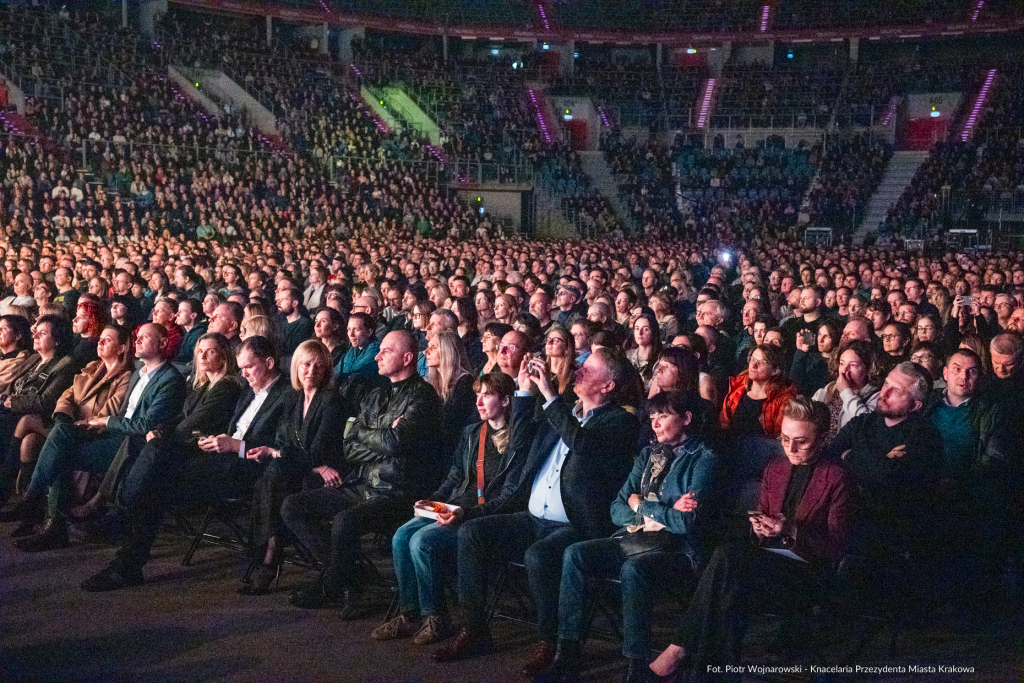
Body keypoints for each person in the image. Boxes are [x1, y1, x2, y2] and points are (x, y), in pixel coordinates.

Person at [432, 349, 640, 674]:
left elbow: (582, 444)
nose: (579, 368)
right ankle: (474, 628)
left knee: (539, 556)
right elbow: (520, 445)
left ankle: (550, 641)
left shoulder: (621, 422)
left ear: (609, 385)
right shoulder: (562, 411)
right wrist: (525, 391)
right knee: (472, 532)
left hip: (575, 525)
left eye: (590, 367)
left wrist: (549, 395)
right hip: (532, 517)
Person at [648, 398, 851, 679]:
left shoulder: (837, 476)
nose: (790, 448)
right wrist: (760, 528)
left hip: (808, 573)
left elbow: (836, 547)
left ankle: (680, 650)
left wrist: (790, 531)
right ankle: (710, 674)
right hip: (764, 564)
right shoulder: (776, 469)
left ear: (822, 439)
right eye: (785, 438)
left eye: (801, 442)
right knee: (731, 586)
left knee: (729, 562)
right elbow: (764, 521)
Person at [79, 335, 290, 591]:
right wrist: (209, 440)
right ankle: (126, 561)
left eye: (249, 367)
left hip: (247, 469)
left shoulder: (287, 395)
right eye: (241, 367)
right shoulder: (248, 390)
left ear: (269, 363)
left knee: (155, 466)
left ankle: (123, 525)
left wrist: (236, 446)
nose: (243, 373)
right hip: (217, 458)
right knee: (150, 460)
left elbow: (281, 445)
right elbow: (220, 427)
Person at [542, 390, 720, 682]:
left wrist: (642, 505)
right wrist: (657, 514)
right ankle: (568, 651)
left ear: (686, 419)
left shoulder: (704, 459)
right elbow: (616, 509)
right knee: (575, 553)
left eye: (663, 416)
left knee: (634, 569)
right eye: (652, 417)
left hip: (679, 551)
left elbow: (686, 523)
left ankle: (636, 666)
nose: (656, 424)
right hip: (635, 539)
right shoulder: (648, 455)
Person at [283, 331, 443, 617]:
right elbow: (349, 446)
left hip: (398, 490)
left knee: (345, 521)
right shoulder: (376, 394)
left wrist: (375, 437)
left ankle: (336, 584)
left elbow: (396, 443)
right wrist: (382, 437)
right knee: (293, 506)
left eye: (386, 351)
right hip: (362, 482)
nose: (378, 356)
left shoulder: (423, 396)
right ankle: (346, 576)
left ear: (407, 359)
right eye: (379, 350)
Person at [0, 324, 187, 548]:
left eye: (145, 337)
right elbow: (69, 396)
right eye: (137, 337)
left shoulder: (168, 379)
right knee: (60, 433)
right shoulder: (139, 373)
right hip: (111, 434)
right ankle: (37, 506)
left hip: (130, 444)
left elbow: (145, 424)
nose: (137, 341)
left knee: (58, 450)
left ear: (163, 343)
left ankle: (42, 513)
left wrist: (103, 421)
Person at [373, 372, 524, 646]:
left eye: (487, 395)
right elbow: (455, 476)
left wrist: (465, 513)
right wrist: (432, 500)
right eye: (477, 394)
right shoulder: (471, 433)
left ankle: (436, 616)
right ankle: (410, 613)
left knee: (421, 541)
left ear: (505, 401)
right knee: (400, 536)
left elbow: (509, 497)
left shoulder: (517, 440)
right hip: (454, 505)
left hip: (480, 515)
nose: (479, 401)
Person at [242, 340, 343, 595]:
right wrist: (307, 463)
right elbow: (282, 440)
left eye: (318, 367)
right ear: (296, 366)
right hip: (303, 469)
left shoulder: (331, 401)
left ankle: (267, 555)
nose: (311, 371)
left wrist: (282, 454)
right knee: (271, 477)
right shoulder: (292, 397)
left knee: (274, 475)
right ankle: (269, 552)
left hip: (328, 475)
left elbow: (318, 451)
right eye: (306, 365)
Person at [17, 326, 134, 526]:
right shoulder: (92, 367)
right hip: (71, 426)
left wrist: (78, 421)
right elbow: (67, 395)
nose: (100, 342)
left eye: (108, 339)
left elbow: (110, 411)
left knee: (54, 441)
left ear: (122, 348)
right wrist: (65, 415)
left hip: (95, 432)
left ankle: (32, 500)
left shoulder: (125, 377)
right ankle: (44, 518)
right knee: (32, 439)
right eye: (101, 338)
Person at [923, 348, 1012, 592]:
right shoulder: (928, 407)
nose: (964, 377)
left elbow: (995, 457)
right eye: (957, 370)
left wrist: (957, 481)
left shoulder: (990, 411)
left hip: (969, 499)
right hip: (925, 494)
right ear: (945, 373)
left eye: (972, 372)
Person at [0, 315, 79, 506]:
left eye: (42, 334)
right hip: (13, 411)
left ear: (57, 340)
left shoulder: (65, 365)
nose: (35, 336)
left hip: (36, 418)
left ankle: (9, 489)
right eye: (36, 332)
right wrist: (6, 399)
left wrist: (14, 403)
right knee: (25, 438)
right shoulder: (34, 358)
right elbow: (13, 385)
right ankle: (21, 497)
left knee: (15, 429)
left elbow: (46, 402)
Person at [424, 330, 477, 484]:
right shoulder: (434, 383)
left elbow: (451, 424)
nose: (426, 351)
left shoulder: (465, 382)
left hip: (453, 453)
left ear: (448, 351)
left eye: (433, 347)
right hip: (438, 448)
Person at [720, 344, 796, 438]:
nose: (754, 365)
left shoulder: (783, 400)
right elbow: (724, 424)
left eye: (761, 362)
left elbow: (780, 438)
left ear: (775, 370)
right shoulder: (737, 386)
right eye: (752, 359)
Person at [812, 340, 879, 440]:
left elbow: (865, 426)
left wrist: (846, 392)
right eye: (842, 363)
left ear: (869, 369)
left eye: (853, 365)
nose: (844, 370)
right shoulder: (828, 390)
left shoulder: (876, 397)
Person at [789, 320, 839, 397]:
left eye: (826, 336)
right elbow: (794, 382)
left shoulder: (839, 363)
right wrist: (801, 351)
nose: (821, 340)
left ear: (835, 338)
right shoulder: (809, 357)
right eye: (819, 334)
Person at [337, 312, 379, 378]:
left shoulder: (376, 350)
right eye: (349, 329)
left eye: (356, 330)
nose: (351, 334)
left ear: (369, 332)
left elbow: (354, 372)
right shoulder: (353, 349)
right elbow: (336, 372)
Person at [626, 314, 661, 391]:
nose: (640, 333)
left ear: (653, 331)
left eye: (645, 329)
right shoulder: (627, 356)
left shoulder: (660, 359)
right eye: (637, 328)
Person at [542, 324, 577, 398]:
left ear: (567, 349)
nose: (549, 342)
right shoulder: (541, 371)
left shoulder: (573, 376)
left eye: (555, 341)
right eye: (548, 339)